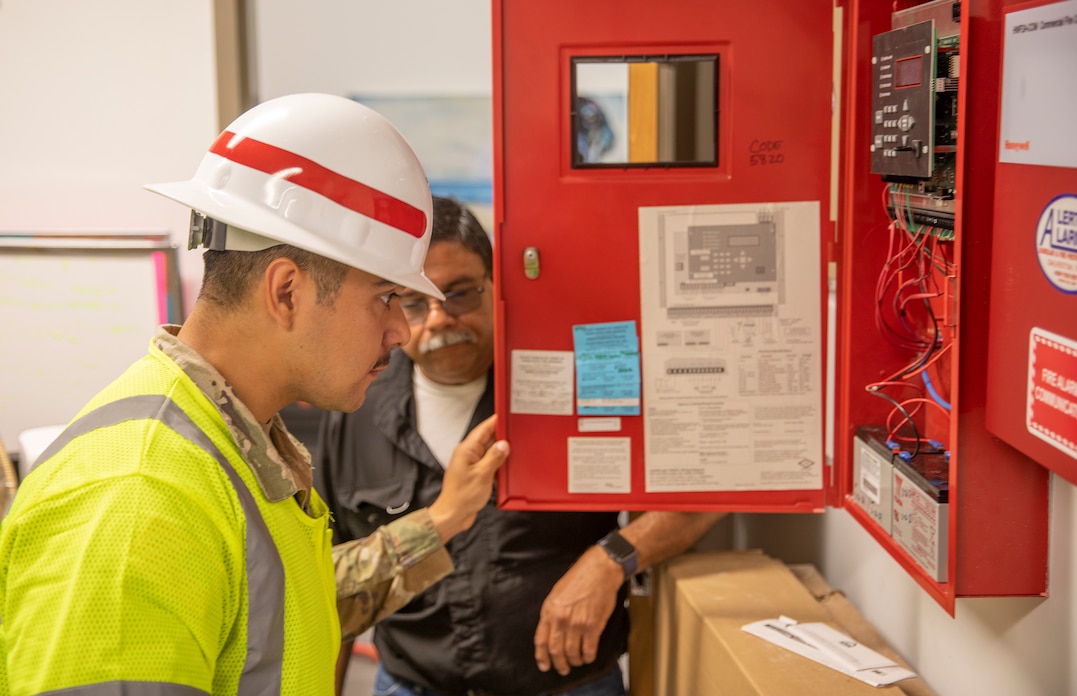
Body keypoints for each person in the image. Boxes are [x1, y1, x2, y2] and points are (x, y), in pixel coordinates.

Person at [0, 94, 509, 695]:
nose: (403, 331)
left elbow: (291, 608)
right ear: (287, 291)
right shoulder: (139, 498)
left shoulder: (235, 442)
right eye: (386, 297)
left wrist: (443, 521)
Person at [315, 196, 723, 696]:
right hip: (412, 682)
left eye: (460, 294)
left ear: (495, 286)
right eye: (415, 301)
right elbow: (331, 582)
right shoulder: (355, 409)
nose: (440, 319)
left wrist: (611, 557)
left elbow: (708, 490)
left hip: (566, 683)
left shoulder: (579, 379)